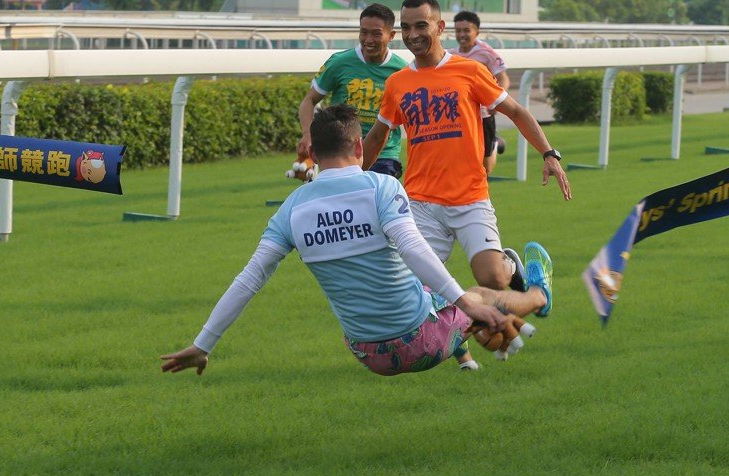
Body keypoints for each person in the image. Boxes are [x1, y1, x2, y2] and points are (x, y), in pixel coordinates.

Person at [158, 105, 552, 377]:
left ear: (312, 151)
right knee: (479, 296)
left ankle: (497, 330)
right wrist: (467, 302)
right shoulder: (381, 185)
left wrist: (203, 344)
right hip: (420, 341)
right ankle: (537, 294)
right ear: (360, 147)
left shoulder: (291, 209)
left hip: (368, 354)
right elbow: (414, 248)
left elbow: (249, 279)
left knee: (452, 303)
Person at [362, 0, 571, 370]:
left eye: (420, 25)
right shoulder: (397, 83)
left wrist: (549, 154)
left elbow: (517, 111)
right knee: (417, 292)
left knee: (492, 278)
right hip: (421, 203)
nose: (412, 34)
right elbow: (378, 136)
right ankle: (480, 335)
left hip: (470, 197)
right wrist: (351, 179)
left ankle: (514, 268)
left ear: (440, 27)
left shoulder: (469, 72)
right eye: (406, 27)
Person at [297, 3, 407, 178]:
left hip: (384, 156)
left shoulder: (402, 71)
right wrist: (307, 134)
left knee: (373, 201)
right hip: (340, 152)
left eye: (376, 33)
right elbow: (308, 101)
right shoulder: (339, 62)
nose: (368, 39)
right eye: (364, 32)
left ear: (391, 35)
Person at [449, 11, 510, 175]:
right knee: (461, 161)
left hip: (483, 115)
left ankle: (495, 143)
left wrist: (496, 102)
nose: (462, 34)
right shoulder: (451, 55)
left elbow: (503, 79)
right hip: (460, 116)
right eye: (458, 30)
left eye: (466, 30)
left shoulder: (486, 53)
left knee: (486, 168)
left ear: (476, 32)